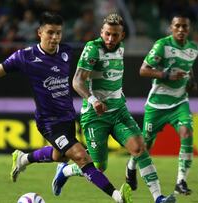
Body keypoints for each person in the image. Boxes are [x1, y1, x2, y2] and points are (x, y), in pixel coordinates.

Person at [0, 12, 132, 203]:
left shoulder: (66, 52)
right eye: (50, 33)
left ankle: (23, 159)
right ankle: (117, 196)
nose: (55, 37)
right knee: (81, 157)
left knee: (60, 156)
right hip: (49, 121)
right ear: (40, 32)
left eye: (58, 33)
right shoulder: (25, 56)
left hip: (68, 118)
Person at [52, 13, 176, 203]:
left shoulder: (120, 49)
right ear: (101, 32)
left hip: (119, 112)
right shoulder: (93, 49)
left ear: (122, 36)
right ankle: (65, 171)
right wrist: (94, 100)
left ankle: (158, 197)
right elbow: (77, 81)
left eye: (115, 35)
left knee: (140, 148)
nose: (110, 39)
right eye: (107, 34)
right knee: (99, 166)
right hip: (95, 116)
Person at [125, 14, 198, 196]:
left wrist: (191, 81)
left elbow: (189, 68)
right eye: (178, 26)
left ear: (189, 29)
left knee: (187, 133)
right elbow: (143, 70)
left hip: (180, 102)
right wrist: (167, 75)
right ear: (171, 28)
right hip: (157, 105)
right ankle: (131, 167)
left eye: (185, 27)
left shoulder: (193, 49)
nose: (181, 30)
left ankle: (181, 181)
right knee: (145, 146)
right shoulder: (162, 45)